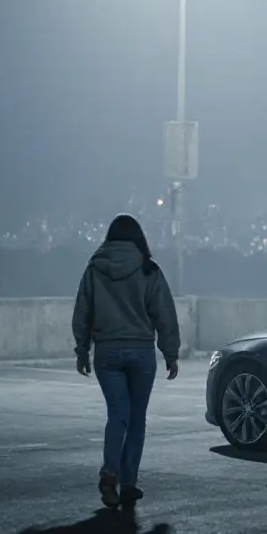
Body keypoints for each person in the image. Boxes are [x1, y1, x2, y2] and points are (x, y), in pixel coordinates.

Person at [72, 214, 181, 511]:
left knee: (117, 414)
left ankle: (112, 473)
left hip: (107, 352)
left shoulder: (95, 268)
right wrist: (170, 352)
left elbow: (83, 310)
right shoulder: (149, 269)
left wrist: (82, 349)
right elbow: (164, 314)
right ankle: (127, 481)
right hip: (141, 353)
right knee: (137, 419)